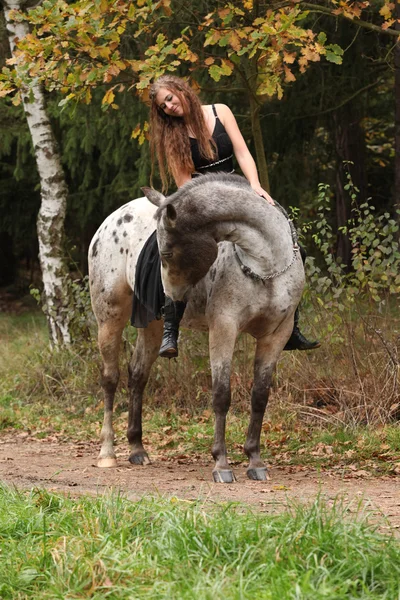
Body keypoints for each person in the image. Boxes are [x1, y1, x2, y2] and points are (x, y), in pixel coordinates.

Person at [131, 74, 320, 358]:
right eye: (162, 106)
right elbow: (186, 185)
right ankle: (171, 327)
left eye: (169, 98)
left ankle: (290, 325)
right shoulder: (173, 136)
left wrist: (255, 185)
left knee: (293, 245)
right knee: (175, 254)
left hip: (239, 192)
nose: (168, 106)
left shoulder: (221, 111)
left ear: (182, 90)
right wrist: (204, 214)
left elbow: (243, 152)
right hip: (201, 203)